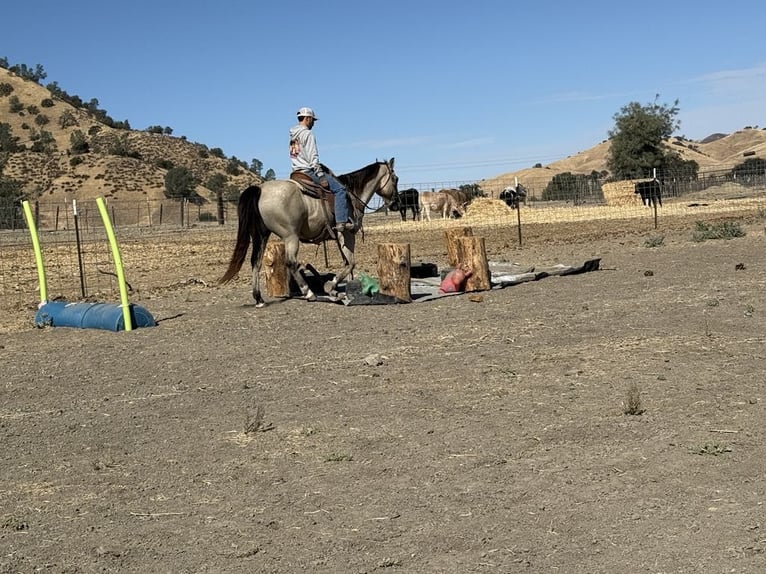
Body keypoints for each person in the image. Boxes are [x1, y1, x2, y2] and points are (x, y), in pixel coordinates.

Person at [289, 107, 353, 231]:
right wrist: (321, 175)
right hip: (308, 171)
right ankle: (341, 222)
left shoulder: (293, 136)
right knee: (340, 190)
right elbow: (313, 157)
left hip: (296, 172)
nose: (313, 123)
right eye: (312, 120)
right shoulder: (308, 134)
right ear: (307, 119)